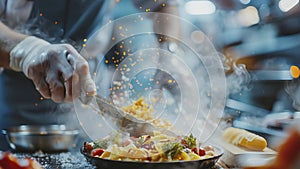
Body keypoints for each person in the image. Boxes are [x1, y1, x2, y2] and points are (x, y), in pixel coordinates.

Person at [0, 0, 180, 150]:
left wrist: (169, 52)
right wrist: (29, 51)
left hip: (92, 93)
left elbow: (164, 3)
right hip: (18, 106)